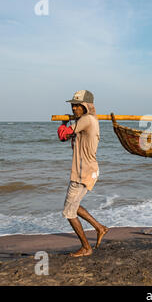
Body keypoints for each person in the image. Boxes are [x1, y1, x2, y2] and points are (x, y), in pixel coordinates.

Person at [57, 90, 109, 257]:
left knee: (68, 212)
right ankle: (100, 228)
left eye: (77, 105)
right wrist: (68, 123)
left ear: (86, 106)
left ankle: (86, 248)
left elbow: (62, 134)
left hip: (83, 173)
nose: (74, 108)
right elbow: (65, 139)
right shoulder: (87, 120)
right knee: (74, 205)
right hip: (86, 170)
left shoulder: (87, 120)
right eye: (73, 105)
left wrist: (64, 123)